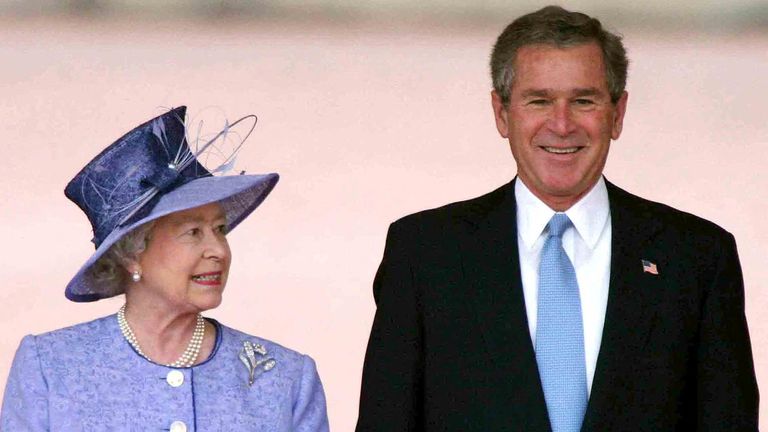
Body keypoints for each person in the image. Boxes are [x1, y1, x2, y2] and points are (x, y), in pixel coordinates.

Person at [356, 6, 758, 432]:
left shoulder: (696, 257)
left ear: (617, 114)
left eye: (584, 101)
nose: (562, 124)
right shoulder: (424, 254)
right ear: (502, 113)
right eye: (539, 101)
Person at [1, 106, 330, 431]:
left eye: (220, 230)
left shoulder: (286, 378)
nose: (218, 250)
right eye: (193, 232)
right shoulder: (51, 366)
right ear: (132, 253)